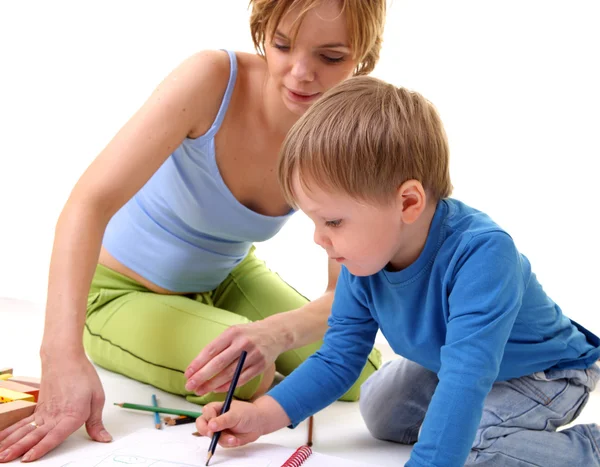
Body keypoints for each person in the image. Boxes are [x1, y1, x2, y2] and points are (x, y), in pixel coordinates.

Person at [0, 0, 387, 463]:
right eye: (282, 46)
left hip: (224, 277)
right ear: (263, 30)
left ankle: (230, 333)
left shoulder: (348, 124)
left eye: (330, 57)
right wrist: (59, 355)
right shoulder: (211, 79)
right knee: (246, 373)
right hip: (116, 292)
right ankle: (111, 331)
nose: (300, 73)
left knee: (360, 366)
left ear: (364, 53)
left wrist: (275, 333)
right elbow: (87, 205)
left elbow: (344, 294)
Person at [194, 76, 600, 466]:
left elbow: (466, 379)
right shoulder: (363, 258)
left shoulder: (484, 254)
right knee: (380, 410)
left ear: (408, 202)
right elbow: (337, 360)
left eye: (333, 222)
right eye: (314, 222)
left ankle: (589, 450)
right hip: (450, 361)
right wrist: (261, 416)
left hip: (544, 374)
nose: (320, 239)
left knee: (474, 447)